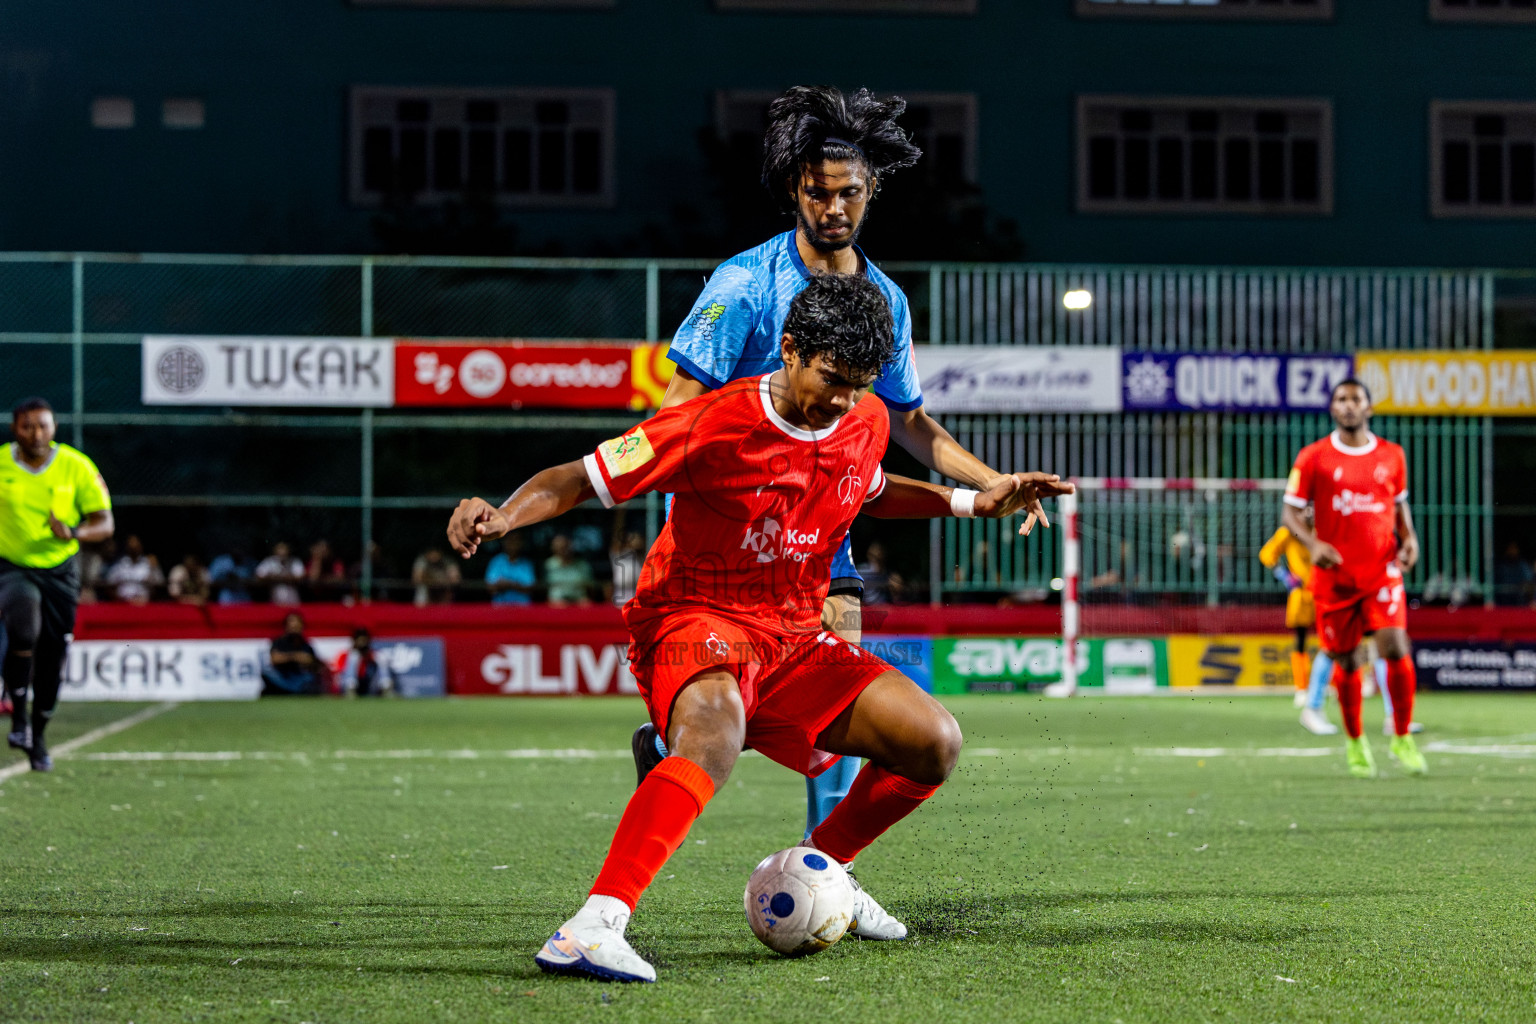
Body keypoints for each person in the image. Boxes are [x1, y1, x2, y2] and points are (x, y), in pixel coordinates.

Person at [446, 274, 1071, 982]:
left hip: (794, 636)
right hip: (691, 615)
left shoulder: (862, 419)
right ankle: (592, 926)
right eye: (833, 379)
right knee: (716, 733)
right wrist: (503, 515)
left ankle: (824, 869)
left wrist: (967, 502)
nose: (844, 400)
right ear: (790, 348)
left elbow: (870, 490)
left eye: (860, 385)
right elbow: (579, 477)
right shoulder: (709, 423)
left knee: (933, 741)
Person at [633, 85, 1056, 839]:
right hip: (727, 539)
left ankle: (820, 870)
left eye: (848, 193)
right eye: (817, 192)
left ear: (872, 191)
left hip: (822, 534)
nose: (833, 208)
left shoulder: (885, 301)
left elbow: (909, 422)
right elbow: (678, 408)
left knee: (836, 713)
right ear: (794, 189)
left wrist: (990, 481)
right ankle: (673, 747)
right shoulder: (744, 284)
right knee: (728, 714)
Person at [1282, 379, 1426, 778]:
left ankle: (1401, 735)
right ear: (1333, 408)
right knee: (1347, 661)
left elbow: (1399, 505)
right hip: (1336, 577)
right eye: (1341, 399)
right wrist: (1313, 544)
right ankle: (1355, 740)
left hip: (1382, 571)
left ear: (1368, 408)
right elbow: (1290, 513)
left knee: (1395, 646)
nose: (1348, 405)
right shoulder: (1313, 457)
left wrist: (1410, 538)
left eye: (1355, 399)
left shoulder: (1392, 455)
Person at [0, 397, 114, 771]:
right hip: (12, 567)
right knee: (23, 630)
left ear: (54, 428)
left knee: (52, 657)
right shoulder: (2, 463)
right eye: (27, 426)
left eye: (43, 425)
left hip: (60, 571)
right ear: (14, 428)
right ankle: (18, 718)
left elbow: (105, 523)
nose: (36, 433)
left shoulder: (76, 466)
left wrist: (74, 532)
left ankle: (39, 737)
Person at [261, 612, 323, 696]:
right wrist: (295, 656)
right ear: (286, 626)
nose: (294, 626)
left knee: (311, 678)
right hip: (282, 677)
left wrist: (308, 660)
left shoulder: (305, 645)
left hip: (299, 678)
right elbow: (275, 659)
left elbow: (311, 661)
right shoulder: (279, 642)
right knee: (267, 674)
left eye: (297, 624)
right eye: (292, 623)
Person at [331, 626, 393, 697]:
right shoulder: (345, 655)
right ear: (355, 641)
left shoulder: (372, 655)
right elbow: (339, 674)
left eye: (364, 641)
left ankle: (386, 689)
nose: (362, 644)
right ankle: (350, 689)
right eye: (360, 640)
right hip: (347, 685)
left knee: (381, 658)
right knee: (354, 656)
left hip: (368, 685)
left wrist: (369, 657)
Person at [104, 533, 163, 604]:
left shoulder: (149, 563)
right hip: (124, 603)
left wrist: (154, 568)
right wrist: (118, 599)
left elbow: (160, 583)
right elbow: (109, 584)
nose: (133, 547)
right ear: (126, 547)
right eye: (131, 545)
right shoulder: (120, 564)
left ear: (140, 546)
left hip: (144, 603)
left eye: (136, 545)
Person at [485, 533, 537, 605]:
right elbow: (490, 587)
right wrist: (517, 586)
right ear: (504, 542)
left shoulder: (526, 564)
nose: (513, 543)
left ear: (521, 543)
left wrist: (509, 584)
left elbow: (530, 587)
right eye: (510, 540)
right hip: (500, 607)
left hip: (522, 607)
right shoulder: (496, 561)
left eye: (516, 540)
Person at [543, 534, 593, 607]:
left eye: (566, 546)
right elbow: (544, 588)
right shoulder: (548, 565)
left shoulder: (582, 565)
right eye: (560, 548)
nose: (564, 550)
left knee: (587, 604)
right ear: (553, 549)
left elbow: (590, 587)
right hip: (557, 602)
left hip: (578, 600)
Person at [255, 541, 304, 605]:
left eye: (284, 549)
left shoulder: (295, 561)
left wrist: (276, 577)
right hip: (274, 598)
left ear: (288, 550)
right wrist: (283, 578)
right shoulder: (269, 561)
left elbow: (300, 577)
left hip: (292, 599)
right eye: (280, 549)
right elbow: (259, 576)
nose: (282, 552)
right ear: (275, 550)